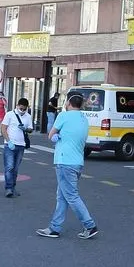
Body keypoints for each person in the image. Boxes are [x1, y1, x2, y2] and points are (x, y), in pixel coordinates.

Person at [36, 93, 98, 240]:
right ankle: (54, 228)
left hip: (64, 161)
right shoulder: (84, 119)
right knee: (62, 196)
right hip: (77, 162)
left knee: (71, 196)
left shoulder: (63, 116)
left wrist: (56, 137)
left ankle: (89, 225)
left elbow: (51, 134)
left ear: (68, 103)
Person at [0, 97, 33, 198]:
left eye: (24, 109)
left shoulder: (28, 116)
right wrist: (8, 141)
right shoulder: (10, 114)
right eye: (21, 108)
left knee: (15, 168)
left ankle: (13, 187)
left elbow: (31, 129)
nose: (22, 111)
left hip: (21, 145)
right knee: (9, 167)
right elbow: (3, 128)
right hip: (10, 144)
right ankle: (8, 188)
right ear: (17, 106)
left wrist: (26, 129)